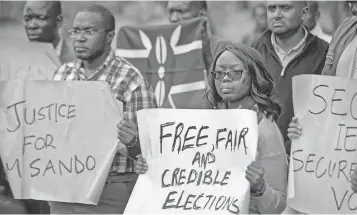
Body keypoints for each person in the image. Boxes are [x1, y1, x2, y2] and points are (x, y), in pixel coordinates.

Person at [135, 43, 288, 214]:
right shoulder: (206, 124)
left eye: (235, 72)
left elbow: (280, 207)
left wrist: (260, 188)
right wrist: (151, 168)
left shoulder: (265, 128)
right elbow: (182, 176)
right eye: (219, 73)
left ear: (254, 75)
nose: (226, 78)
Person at [50, 5, 156, 213]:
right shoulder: (61, 75)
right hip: (64, 188)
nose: (80, 38)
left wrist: (132, 142)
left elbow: (151, 152)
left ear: (109, 37)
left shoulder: (131, 81)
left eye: (89, 31)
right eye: (75, 31)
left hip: (110, 192)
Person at [251, 1, 329, 157]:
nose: (277, 14)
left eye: (285, 8)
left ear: (304, 13)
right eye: (272, 8)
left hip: (308, 158)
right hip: (262, 157)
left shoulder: (325, 53)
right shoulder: (254, 51)